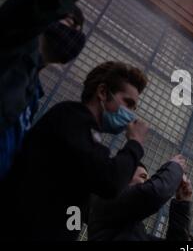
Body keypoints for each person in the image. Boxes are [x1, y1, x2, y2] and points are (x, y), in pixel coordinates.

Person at [0, 0, 168, 180]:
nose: (76, 31)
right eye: (69, 21)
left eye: (79, 29)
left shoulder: (32, 94)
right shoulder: (11, 48)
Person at [0, 61, 149, 241]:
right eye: (128, 103)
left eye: (134, 108)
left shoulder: (88, 135)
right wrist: (135, 143)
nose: (132, 114)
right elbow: (110, 181)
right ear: (102, 92)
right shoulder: (72, 118)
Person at [88, 158, 192, 241]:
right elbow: (154, 192)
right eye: (143, 176)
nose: (148, 183)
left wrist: (181, 203)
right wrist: (174, 166)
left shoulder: (137, 232)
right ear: (124, 177)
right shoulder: (106, 201)